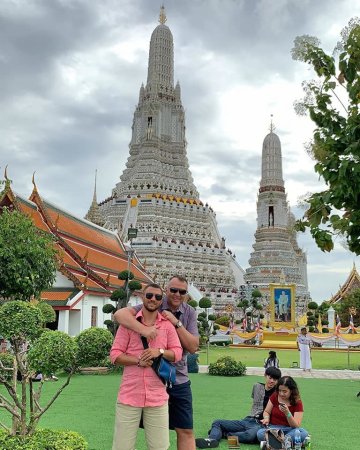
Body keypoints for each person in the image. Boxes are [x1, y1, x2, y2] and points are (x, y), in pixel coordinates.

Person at [114, 275, 199, 450]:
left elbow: (191, 347)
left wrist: (176, 323)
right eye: (173, 290)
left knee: (184, 429)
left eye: (182, 291)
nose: (177, 294)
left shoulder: (188, 312)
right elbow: (120, 314)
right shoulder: (152, 304)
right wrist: (144, 330)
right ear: (166, 291)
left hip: (177, 377)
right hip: (141, 382)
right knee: (126, 439)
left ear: (186, 294)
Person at [195, 367, 282, 449]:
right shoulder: (257, 386)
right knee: (217, 422)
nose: (272, 381)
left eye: (275, 380)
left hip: (260, 424)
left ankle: (224, 434)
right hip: (247, 420)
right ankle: (212, 440)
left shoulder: (278, 394)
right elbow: (255, 404)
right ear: (265, 375)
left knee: (250, 436)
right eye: (270, 378)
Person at [257, 376, 309, 447]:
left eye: (284, 391)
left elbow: (296, 426)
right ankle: (287, 443)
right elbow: (266, 411)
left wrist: (287, 413)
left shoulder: (297, 402)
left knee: (303, 433)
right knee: (260, 433)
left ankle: (275, 444)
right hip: (274, 429)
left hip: (289, 430)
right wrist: (266, 418)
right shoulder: (275, 395)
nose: (281, 394)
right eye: (279, 390)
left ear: (291, 390)